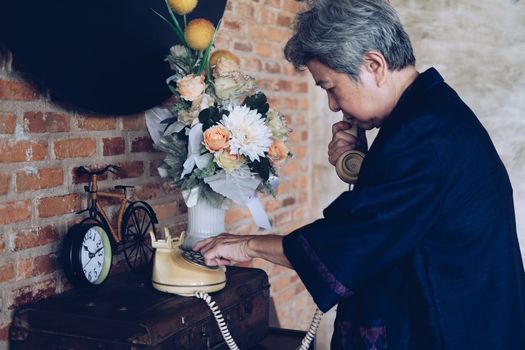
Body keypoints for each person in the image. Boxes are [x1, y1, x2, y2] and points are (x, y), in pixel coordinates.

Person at [193, 0, 525, 348]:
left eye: (330, 87)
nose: (333, 105)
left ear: (374, 65)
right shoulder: (428, 114)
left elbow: (350, 243)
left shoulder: (422, 136)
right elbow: (408, 209)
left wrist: (248, 244)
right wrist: (363, 165)